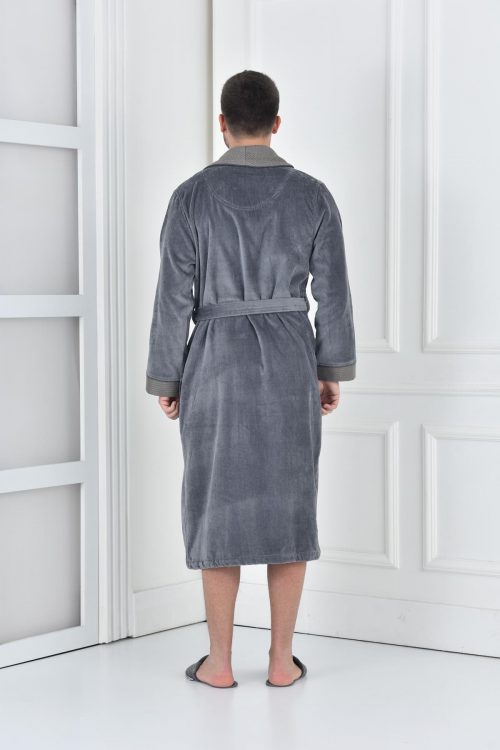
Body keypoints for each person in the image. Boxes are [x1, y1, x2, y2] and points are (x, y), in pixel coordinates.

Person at [145, 70, 356, 688]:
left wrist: (168, 377)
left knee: (217, 506)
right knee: (290, 506)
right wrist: (329, 369)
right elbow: (334, 294)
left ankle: (218, 663)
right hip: (290, 361)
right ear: (277, 123)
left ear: (222, 124)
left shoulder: (190, 197)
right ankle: (281, 662)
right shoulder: (312, 195)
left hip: (214, 363)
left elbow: (172, 299)